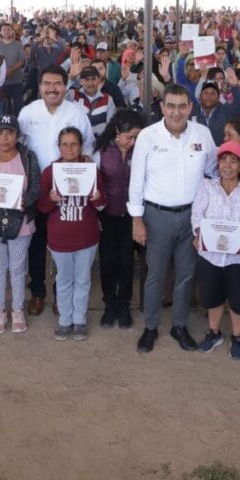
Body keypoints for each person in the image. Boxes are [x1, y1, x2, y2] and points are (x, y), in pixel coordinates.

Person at [129, 84, 216, 353]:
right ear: (162, 107)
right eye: (170, 106)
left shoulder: (202, 133)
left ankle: (179, 326)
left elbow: (212, 170)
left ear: (190, 107)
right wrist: (137, 219)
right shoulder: (147, 136)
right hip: (157, 216)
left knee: (186, 275)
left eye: (182, 106)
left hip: (192, 215)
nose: (176, 112)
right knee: (154, 275)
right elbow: (136, 180)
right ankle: (151, 326)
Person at [17, 65, 95, 315]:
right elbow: (18, 148)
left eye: (57, 84)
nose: (52, 88)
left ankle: (62, 295)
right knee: (37, 243)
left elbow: (89, 150)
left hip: (71, 190)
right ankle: (38, 292)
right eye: (47, 84)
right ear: (40, 86)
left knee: (66, 244)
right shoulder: (28, 113)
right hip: (37, 188)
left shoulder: (77, 113)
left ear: (66, 86)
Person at [191, 140, 240, 360]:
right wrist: (199, 234)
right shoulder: (207, 186)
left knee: (239, 301)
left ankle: (237, 336)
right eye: (223, 160)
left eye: (234, 161)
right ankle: (214, 332)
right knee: (212, 298)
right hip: (210, 256)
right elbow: (197, 215)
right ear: (217, 163)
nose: (228, 165)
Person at [37, 127, 107, 340]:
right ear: (58, 147)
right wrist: (51, 199)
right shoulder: (51, 172)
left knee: (83, 280)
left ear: (80, 146)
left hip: (86, 236)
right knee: (64, 279)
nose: (69, 148)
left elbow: (102, 205)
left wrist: (95, 197)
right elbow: (41, 207)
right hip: (60, 238)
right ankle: (65, 320)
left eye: (73, 144)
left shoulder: (91, 170)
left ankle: (80, 320)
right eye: (65, 144)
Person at [0, 114, 41, 335]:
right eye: (0, 132)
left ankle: (18, 310)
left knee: (18, 268)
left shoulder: (28, 157)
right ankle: (0, 311)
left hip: (20, 222)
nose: (5, 138)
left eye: (10, 132)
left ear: (17, 135)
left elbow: (35, 188)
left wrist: (25, 200)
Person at [94, 109, 143, 328]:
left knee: (126, 262)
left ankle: (124, 304)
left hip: (131, 216)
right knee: (107, 262)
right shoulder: (101, 151)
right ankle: (109, 304)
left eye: (136, 137)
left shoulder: (141, 152)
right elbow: (93, 181)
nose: (132, 142)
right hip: (107, 215)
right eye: (128, 137)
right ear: (116, 131)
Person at [0, 24, 26, 114]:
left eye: (9, 29)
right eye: (4, 29)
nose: (6, 31)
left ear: (12, 31)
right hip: (1, 82)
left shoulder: (18, 45)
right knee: (4, 107)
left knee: (18, 106)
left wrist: (9, 71)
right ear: (1, 32)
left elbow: (21, 61)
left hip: (16, 82)